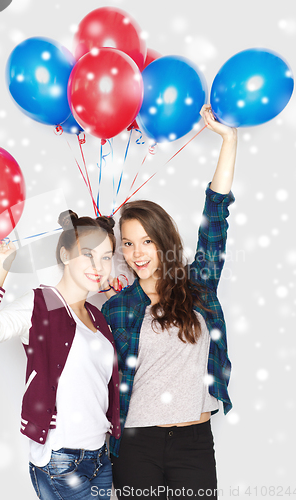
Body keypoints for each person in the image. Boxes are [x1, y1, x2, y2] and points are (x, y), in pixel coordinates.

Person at [101, 104, 238, 499]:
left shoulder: (197, 287)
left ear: (164, 242)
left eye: (146, 241)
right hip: (136, 443)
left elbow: (216, 217)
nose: (137, 252)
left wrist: (228, 140)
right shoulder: (117, 307)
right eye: (127, 243)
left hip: (194, 442)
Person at [0, 211, 121, 500]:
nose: (98, 266)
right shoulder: (44, 302)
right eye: (87, 254)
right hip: (61, 458)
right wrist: (1, 266)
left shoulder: (97, 316)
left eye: (106, 256)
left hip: (100, 456)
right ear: (65, 254)